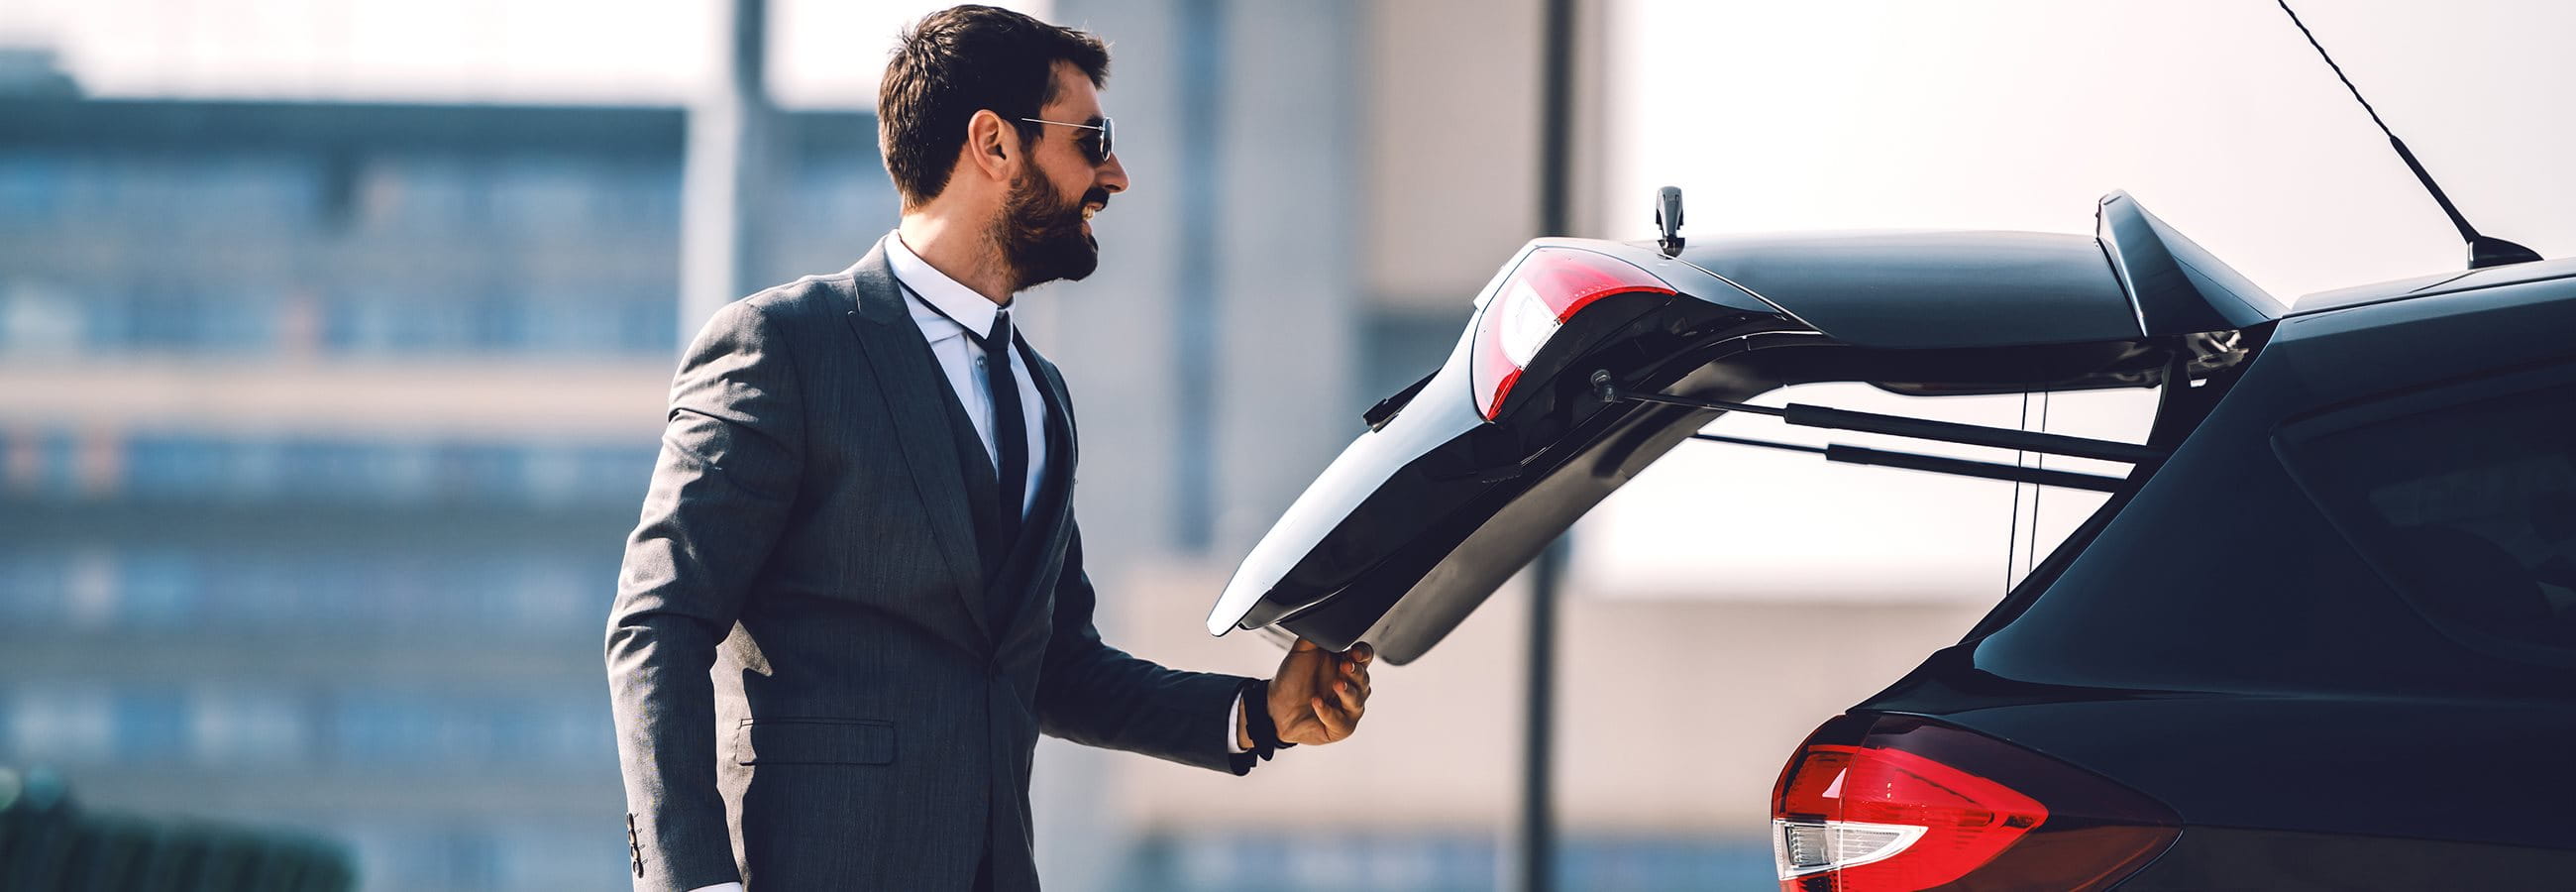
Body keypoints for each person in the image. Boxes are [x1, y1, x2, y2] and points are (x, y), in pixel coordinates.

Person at [603, 5, 1373, 891]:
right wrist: (692, 881)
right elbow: (657, 623)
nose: (1115, 175)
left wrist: (1258, 713)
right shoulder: (783, 347)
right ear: (994, 144)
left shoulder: (1043, 398)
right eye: (1092, 138)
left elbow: (1055, 666)